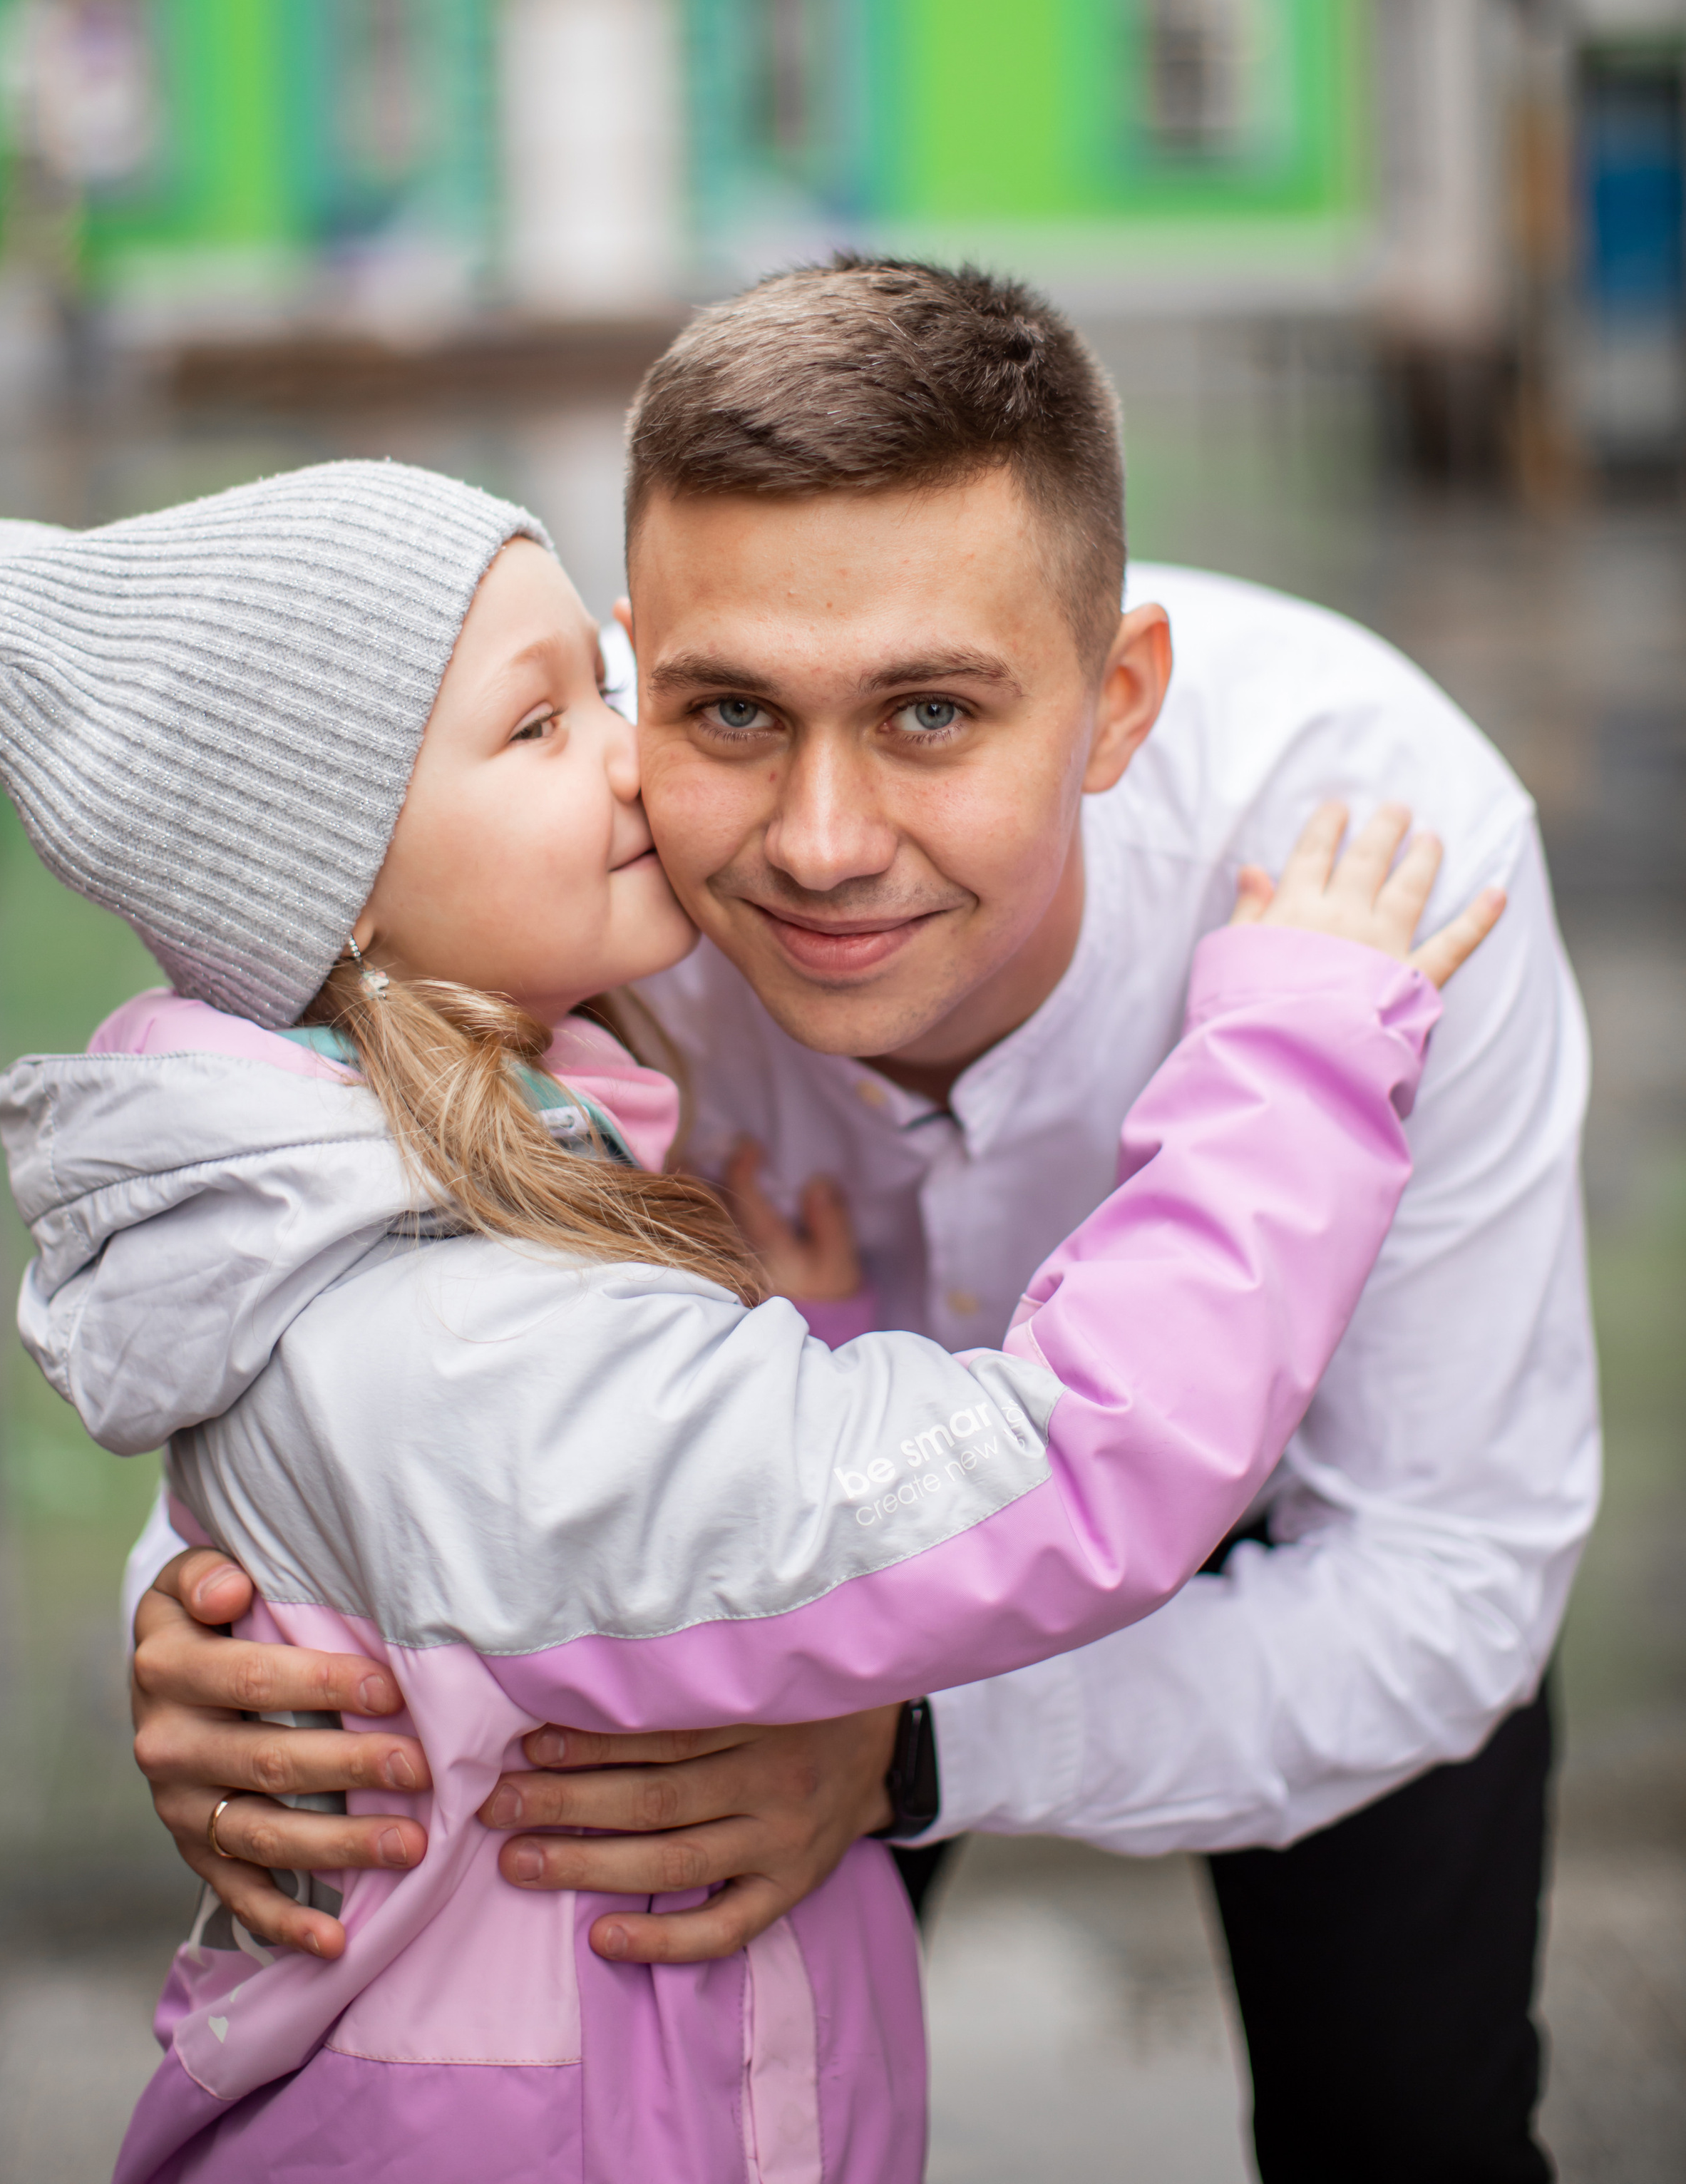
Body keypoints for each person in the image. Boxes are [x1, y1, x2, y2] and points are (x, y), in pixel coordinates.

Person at [127, 262, 1595, 2183]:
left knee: (1404, 2121)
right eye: (732, 711)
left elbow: (1450, 1571)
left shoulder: (1389, 860)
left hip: (1284, 1496)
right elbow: (298, 1232)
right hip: (744, 1515)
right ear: (641, 665)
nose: (819, 842)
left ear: (1117, 702)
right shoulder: (582, 866)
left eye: (927, 714)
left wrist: (910, 1743)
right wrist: (209, 1618)